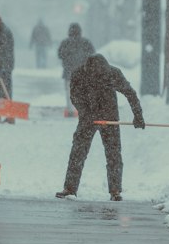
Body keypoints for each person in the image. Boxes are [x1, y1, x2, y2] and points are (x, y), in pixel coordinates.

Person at [56, 52, 145, 202]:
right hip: (88, 118)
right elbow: (75, 97)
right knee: (78, 152)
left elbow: (130, 93)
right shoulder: (78, 74)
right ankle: (70, 188)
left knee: (113, 153)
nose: (98, 77)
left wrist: (138, 115)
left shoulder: (113, 73)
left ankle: (115, 190)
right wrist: (87, 113)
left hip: (109, 117)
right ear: (88, 70)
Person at [57, 22, 95, 115]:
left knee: (70, 92)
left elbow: (60, 55)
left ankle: (70, 110)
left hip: (68, 72)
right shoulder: (86, 42)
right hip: (83, 72)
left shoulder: (65, 42)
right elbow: (92, 54)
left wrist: (68, 58)